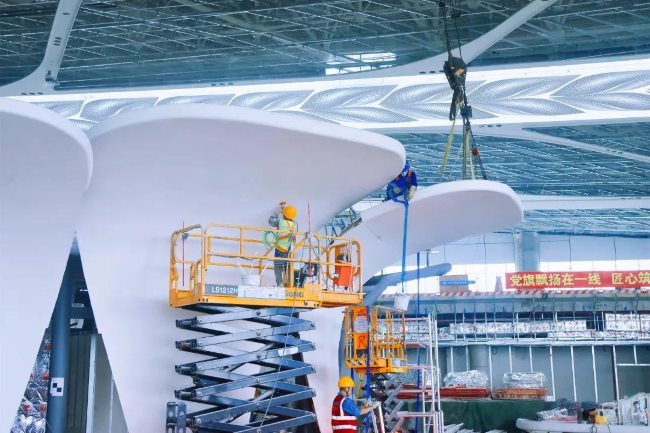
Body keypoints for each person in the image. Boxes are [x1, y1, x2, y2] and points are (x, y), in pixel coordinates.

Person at [273, 205, 297, 287]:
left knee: (278, 267)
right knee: (289, 267)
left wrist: (275, 213)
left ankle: (280, 284)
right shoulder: (295, 225)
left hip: (280, 249)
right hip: (290, 251)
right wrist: (284, 211)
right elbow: (289, 219)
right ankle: (290, 284)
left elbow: (271, 221)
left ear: (284, 215)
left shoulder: (281, 222)